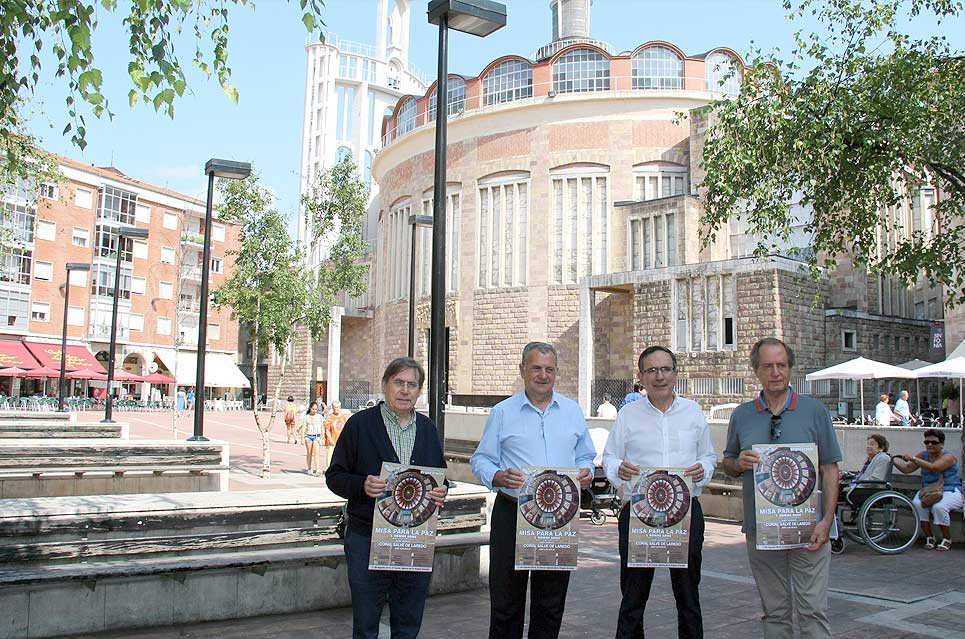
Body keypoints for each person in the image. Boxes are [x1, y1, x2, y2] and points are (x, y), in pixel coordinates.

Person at [470, 341, 596, 639]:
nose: (543, 375)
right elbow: (481, 459)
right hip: (513, 515)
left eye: (549, 369)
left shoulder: (572, 411)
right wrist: (497, 476)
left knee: (551, 604)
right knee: (505, 603)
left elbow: (585, 455)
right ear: (522, 370)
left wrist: (587, 472)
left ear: (557, 373)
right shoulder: (502, 412)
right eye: (536, 368)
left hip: (558, 520)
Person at [722, 337, 841, 639]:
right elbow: (728, 463)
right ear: (756, 371)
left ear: (790, 369)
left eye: (782, 365)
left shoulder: (815, 411)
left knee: (813, 609)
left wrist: (826, 521)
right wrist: (739, 463)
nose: (776, 372)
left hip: (809, 529)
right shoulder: (741, 414)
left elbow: (829, 468)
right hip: (762, 530)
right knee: (774, 611)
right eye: (768, 366)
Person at [326, 357, 448, 639]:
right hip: (367, 538)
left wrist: (442, 490)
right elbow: (335, 476)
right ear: (385, 385)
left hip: (414, 540)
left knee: (408, 622)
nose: (405, 390)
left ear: (419, 391)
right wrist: (361, 485)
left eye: (412, 385)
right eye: (399, 383)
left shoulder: (428, 429)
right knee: (367, 623)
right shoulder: (359, 425)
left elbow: (439, 476)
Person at [603, 346, 717, 639]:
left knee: (688, 596)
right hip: (639, 515)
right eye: (651, 370)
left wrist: (704, 468)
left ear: (676, 373)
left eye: (665, 369)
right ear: (640, 377)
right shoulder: (628, 414)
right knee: (633, 597)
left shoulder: (692, 412)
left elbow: (708, 456)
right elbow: (610, 457)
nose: (659, 376)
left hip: (686, 513)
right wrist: (620, 469)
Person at [893, 428, 963, 551]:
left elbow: (934, 467)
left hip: (949, 490)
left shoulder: (948, 457)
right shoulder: (922, 455)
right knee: (917, 504)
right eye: (927, 442)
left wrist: (914, 459)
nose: (929, 445)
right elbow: (907, 469)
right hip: (928, 491)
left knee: (939, 507)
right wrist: (892, 459)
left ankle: (947, 538)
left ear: (941, 444)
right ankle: (929, 537)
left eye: (934, 442)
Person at [841, 434, 891, 499]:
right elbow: (863, 475)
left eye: (872, 444)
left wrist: (857, 484)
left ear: (881, 448)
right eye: (868, 444)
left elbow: (876, 479)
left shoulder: (883, 458)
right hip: (861, 486)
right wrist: (849, 474)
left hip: (869, 490)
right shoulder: (869, 459)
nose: (868, 446)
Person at [302, 401, 325, 476]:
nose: (314, 410)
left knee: (316, 453)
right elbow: (304, 427)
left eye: (316, 409)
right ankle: (309, 468)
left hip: (316, 436)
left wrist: (322, 437)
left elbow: (322, 427)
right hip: (308, 436)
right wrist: (302, 438)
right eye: (313, 409)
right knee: (309, 452)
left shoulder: (320, 417)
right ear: (310, 408)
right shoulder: (306, 417)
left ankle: (318, 468)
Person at [324, 400, 348, 466]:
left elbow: (346, 429)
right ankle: (329, 469)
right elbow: (327, 430)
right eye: (334, 407)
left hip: (341, 440)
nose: (336, 409)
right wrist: (330, 439)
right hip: (332, 440)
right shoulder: (329, 417)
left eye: (337, 407)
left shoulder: (343, 417)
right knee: (330, 456)